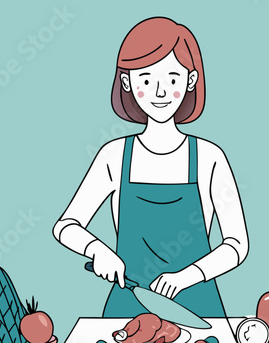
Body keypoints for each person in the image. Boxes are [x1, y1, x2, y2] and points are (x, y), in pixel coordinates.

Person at [53, 17, 249, 318]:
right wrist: (98, 251)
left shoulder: (210, 157)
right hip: (128, 308)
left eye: (172, 79)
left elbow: (237, 245)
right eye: (146, 79)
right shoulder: (114, 156)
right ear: (127, 82)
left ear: (190, 81)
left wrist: (187, 277)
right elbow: (66, 227)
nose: (159, 92)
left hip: (200, 311)